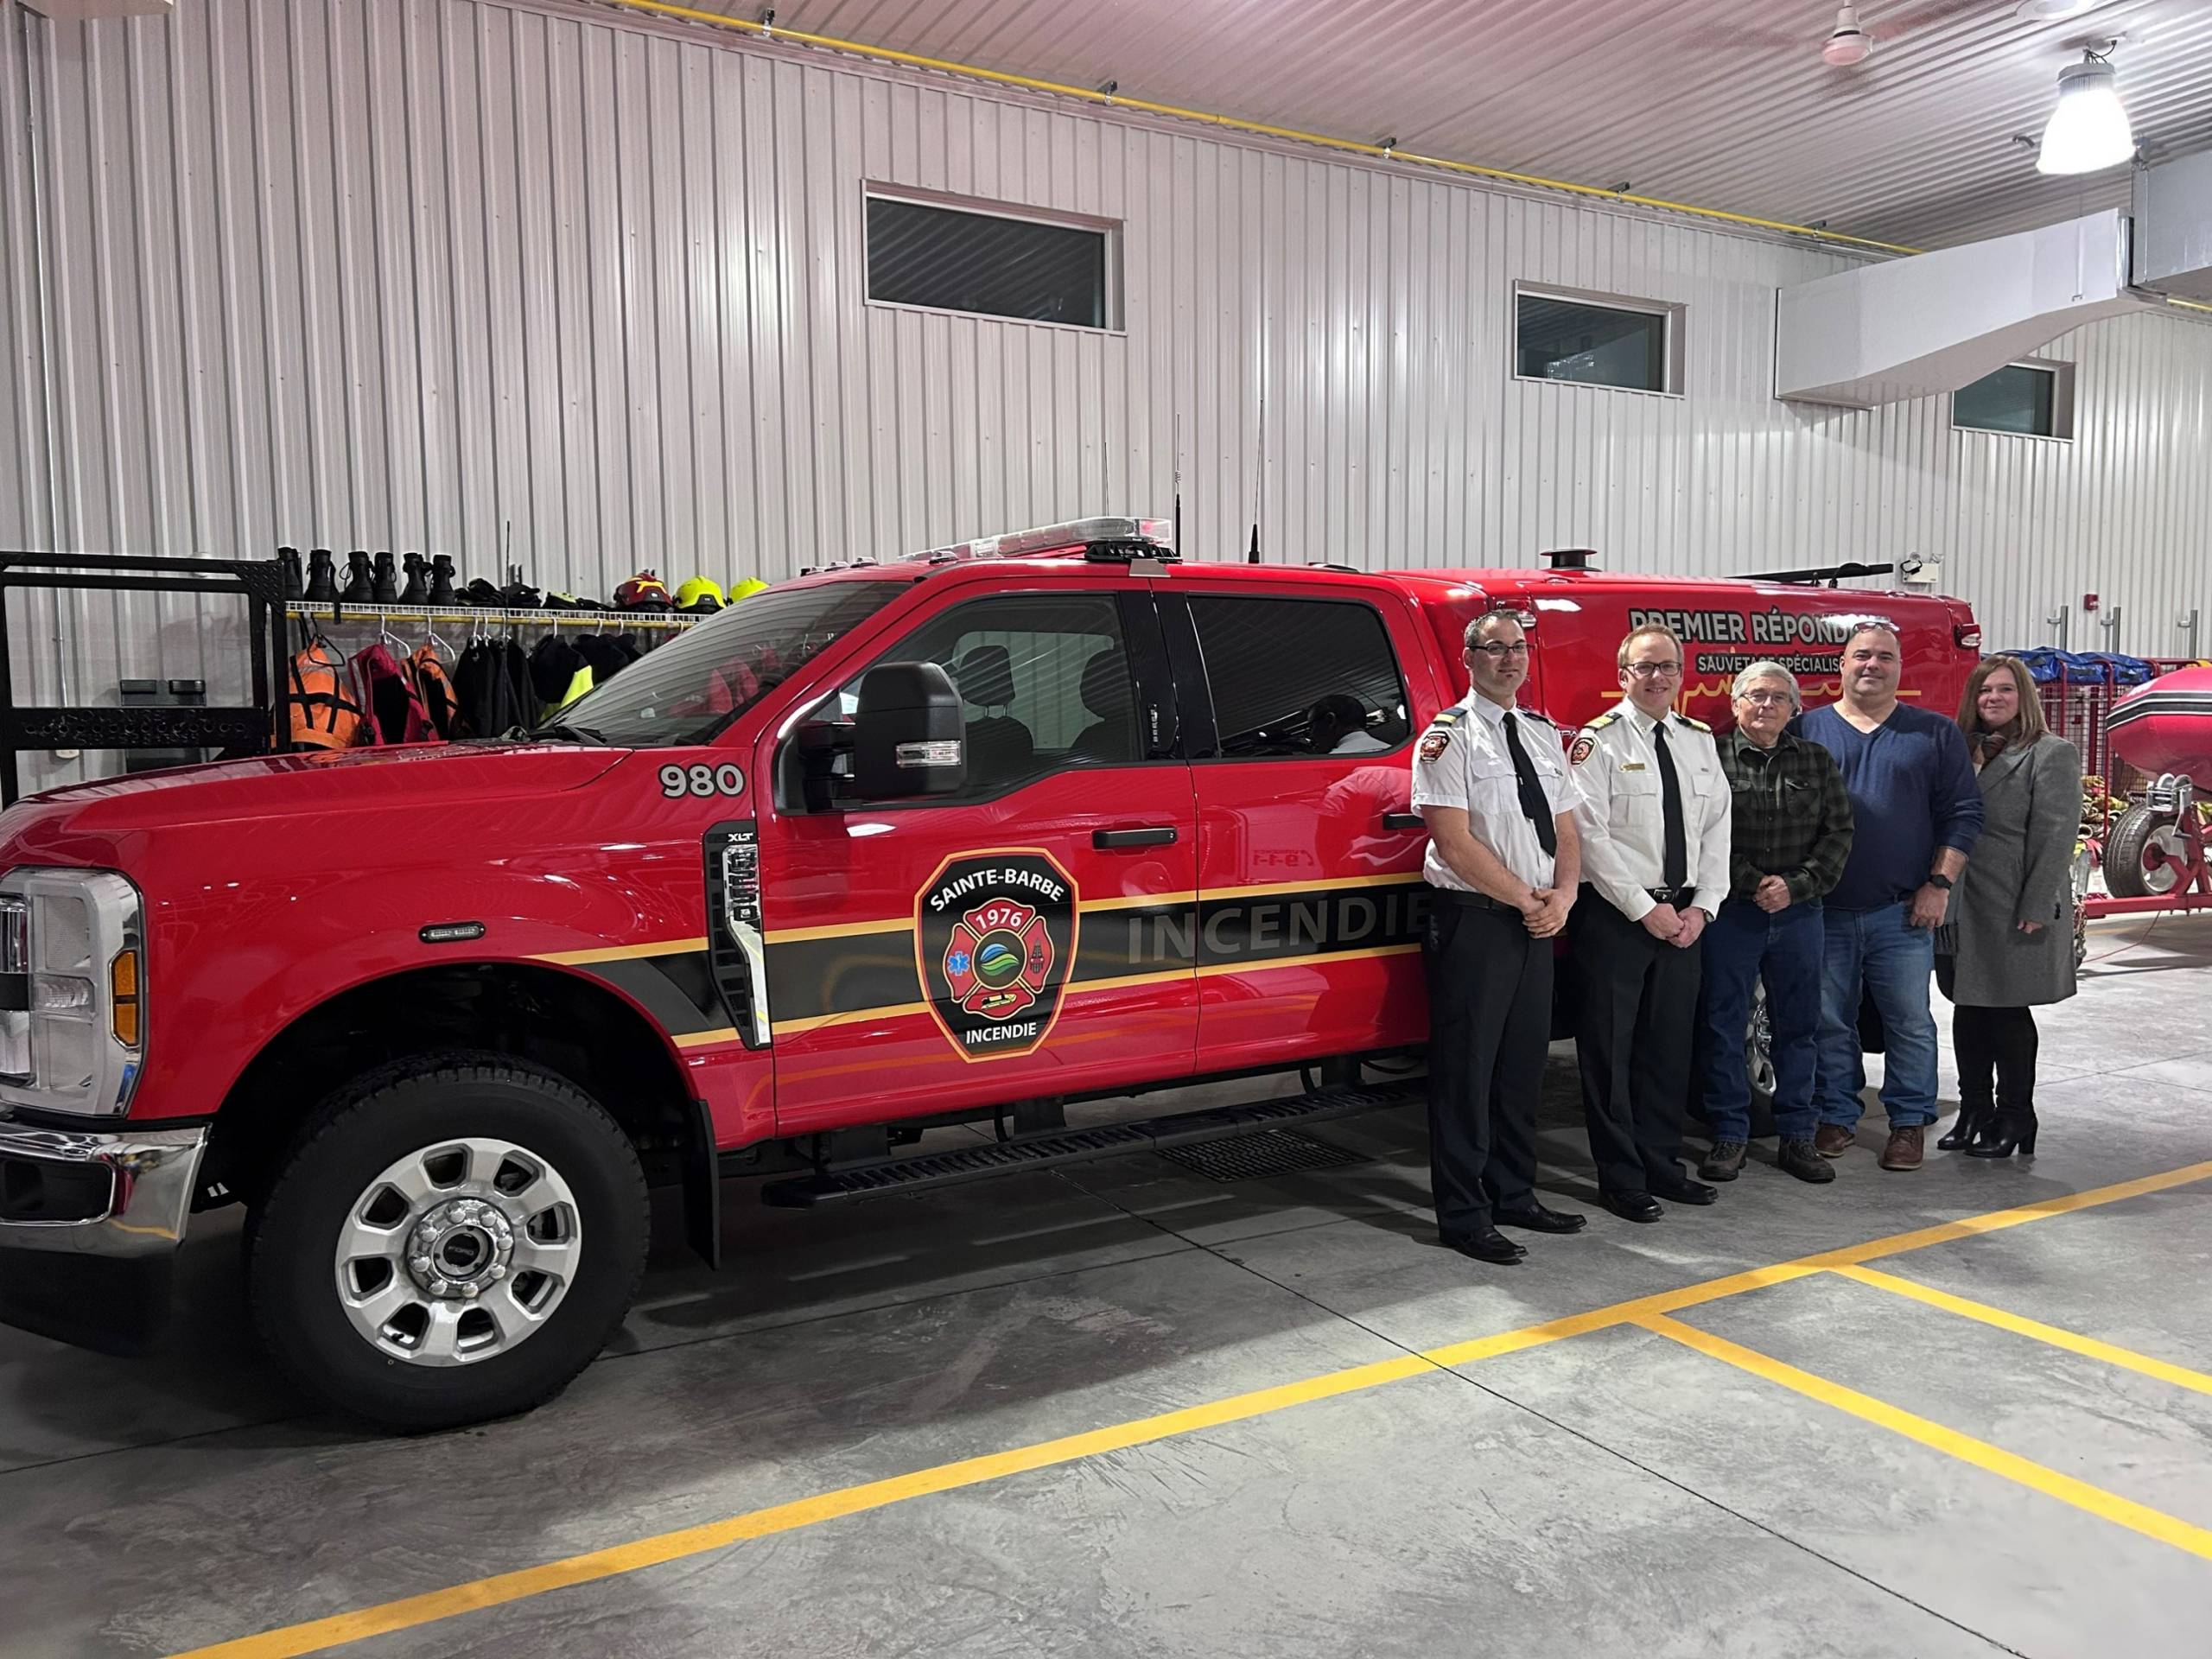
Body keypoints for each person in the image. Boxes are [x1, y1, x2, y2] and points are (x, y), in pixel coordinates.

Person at [1411, 610, 1586, 1265]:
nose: (1510, 660)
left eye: (1519, 648)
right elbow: (1452, 841)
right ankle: (1463, 1213)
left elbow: (1568, 829)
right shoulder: (1446, 737)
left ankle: (1515, 1192)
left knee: (1520, 1067)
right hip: (1477, 920)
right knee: (1467, 1072)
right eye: (1495, 649)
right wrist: (1525, 899)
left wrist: (1564, 896)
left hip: (1538, 917)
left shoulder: (1542, 734)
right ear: (1469, 657)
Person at [1798, 623, 1985, 1172]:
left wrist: (1940, 884)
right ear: (1842, 664)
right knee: (1830, 1020)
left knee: (1909, 1021)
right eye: (1861, 655)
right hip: (1823, 910)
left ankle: (1908, 1123)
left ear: (1899, 668)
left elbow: (1964, 814)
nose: (1871, 665)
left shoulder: (1933, 734)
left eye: (1884, 656)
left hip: (1902, 911)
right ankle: (1836, 1113)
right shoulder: (1807, 729)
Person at [1567, 624, 1732, 1222]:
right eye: (1644, 667)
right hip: (1617, 918)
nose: (1656, 677)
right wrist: (1644, 908)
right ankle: (1621, 1178)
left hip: (1684, 918)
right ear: (1623, 676)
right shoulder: (1598, 743)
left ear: (1681, 676)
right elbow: (1589, 836)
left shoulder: (1698, 740)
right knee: (1610, 1053)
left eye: (1666, 666)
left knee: (1667, 1051)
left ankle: (1665, 1166)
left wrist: (1703, 906)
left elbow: (1718, 828)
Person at [1693, 663, 1854, 1185]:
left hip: (1800, 913)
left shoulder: (1815, 759)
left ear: (1793, 709)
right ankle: (1730, 1134)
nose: (1767, 706)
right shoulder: (1708, 758)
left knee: (1798, 1027)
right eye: (1756, 696)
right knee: (1722, 1025)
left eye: (1779, 698)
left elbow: (1839, 832)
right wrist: (1752, 883)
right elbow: (1698, 833)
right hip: (1730, 912)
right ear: (1735, 702)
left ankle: (1797, 1137)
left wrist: (1796, 885)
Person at [1935, 655, 2081, 1159]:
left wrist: (2038, 901)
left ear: (2024, 698)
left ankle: (2016, 1114)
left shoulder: (2050, 753)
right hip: (1957, 904)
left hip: (2013, 902)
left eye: (2004, 690)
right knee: (1966, 1005)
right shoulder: (1960, 751)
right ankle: (1974, 1110)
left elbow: (2056, 834)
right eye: (1983, 691)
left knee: (2006, 1011)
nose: (1992, 699)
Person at [1308, 693, 1389, 754]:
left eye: (1311, 726)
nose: (1311, 734)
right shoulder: (1393, 753)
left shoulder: (1331, 764)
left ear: (1330, 720)